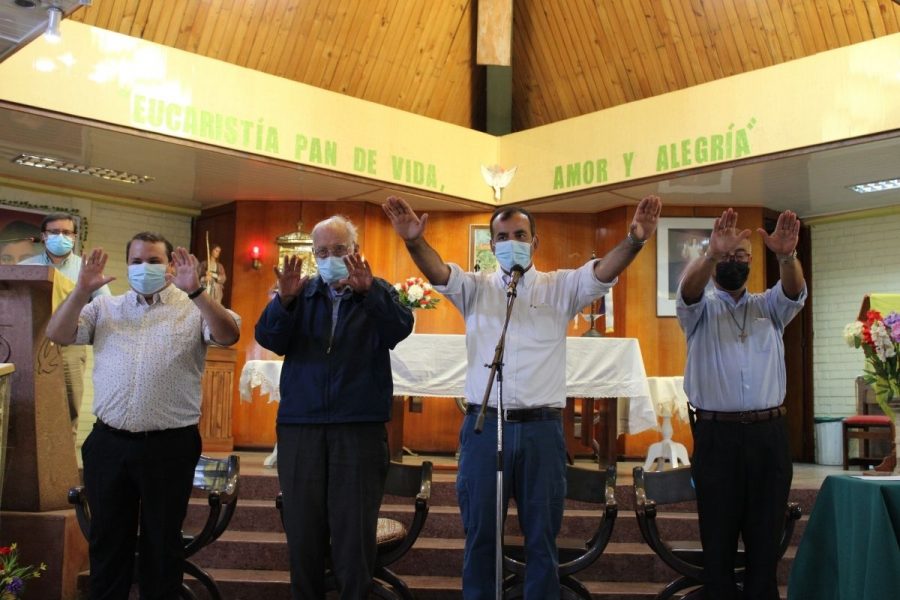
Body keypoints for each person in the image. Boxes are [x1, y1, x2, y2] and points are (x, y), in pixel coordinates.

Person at [382, 194, 662, 599]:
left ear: (535, 242)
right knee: (480, 537)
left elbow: (602, 272)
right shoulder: (476, 288)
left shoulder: (560, 287)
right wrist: (414, 242)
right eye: (502, 236)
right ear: (491, 246)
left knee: (541, 541)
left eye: (520, 234)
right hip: (485, 426)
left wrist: (635, 239)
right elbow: (440, 273)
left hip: (541, 432)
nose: (511, 241)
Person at [45, 232, 241, 600]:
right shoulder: (105, 308)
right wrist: (81, 290)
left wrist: (197, 291)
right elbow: (57, 333)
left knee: (162, 545)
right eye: (136, 261)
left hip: (168, 446)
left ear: (170, 266)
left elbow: (228, 335)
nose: (143, 268)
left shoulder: (192, 308)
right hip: (109, 443)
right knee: (107, 544)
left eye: (153, 260)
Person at [254, 215, 413, 600]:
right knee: (303, 535)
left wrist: (368, 291)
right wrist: (285, 301)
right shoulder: (300, 294)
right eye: (321, 251)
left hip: (357, 428)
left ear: (354, 252)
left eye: (338, 250)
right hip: (301, 427)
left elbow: (399, 329)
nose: (329, 258)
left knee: (353, 537)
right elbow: (270, 338)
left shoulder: (378, 291)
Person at [676, 208, 806, 600]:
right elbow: (689, 290)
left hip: (769, 437)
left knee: (766, 547)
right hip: (717, 437)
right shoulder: (698, 310)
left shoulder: (770, 307)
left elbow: (794, 289)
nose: (733, 262)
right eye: (726, 257)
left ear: (751, 262)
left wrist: (786, 255)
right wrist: (712, 253)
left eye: (740, 256)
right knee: (717, 546)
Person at [19, 213, 112, 433]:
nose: (61, 236)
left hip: (71, 346)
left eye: (67, 232)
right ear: (43, 236)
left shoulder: (86, 270)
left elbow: (106, 305)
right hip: (31, 344)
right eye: (54, 232)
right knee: (27, 405)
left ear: (74, 236)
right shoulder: (26, 267)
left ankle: (65, 464)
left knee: (69, 407)